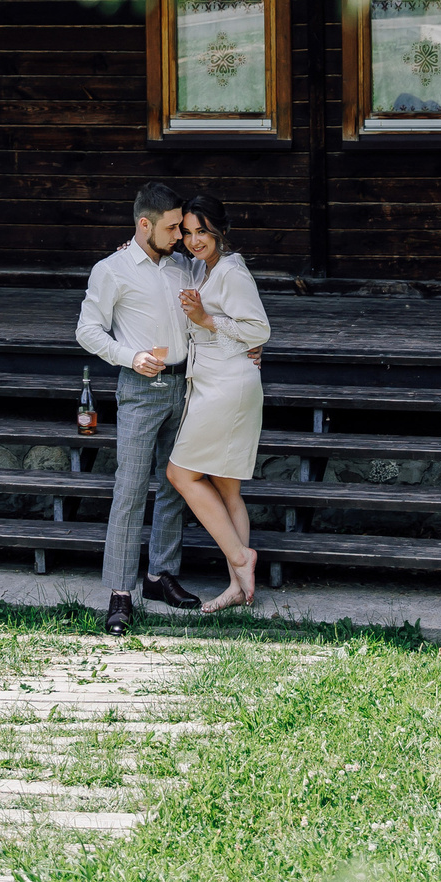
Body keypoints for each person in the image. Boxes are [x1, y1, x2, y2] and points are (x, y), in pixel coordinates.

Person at [75, 181, 206, 634]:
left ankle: (159, 576)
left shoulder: (183, 266)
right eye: (172, 228)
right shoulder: (111, 270)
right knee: (130, 489)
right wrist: (129, 357)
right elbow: (87, 330)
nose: (180, 236)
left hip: (185, 386)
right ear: (144, 224)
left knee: (175, 485)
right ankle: (120, 592)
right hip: (139, 388)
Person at [165, 192, 270, 611]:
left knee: (181, 474)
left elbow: (258, 330)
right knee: (227, 488)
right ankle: (238, 587)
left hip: (228, 385)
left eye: (202, 232)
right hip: (212, 379)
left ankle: (242, 558)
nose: (194, 240)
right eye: (188, 232)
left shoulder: (231, 271)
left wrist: (206, 320)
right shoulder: (200, 266)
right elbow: (169, 262)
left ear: (220, 231)